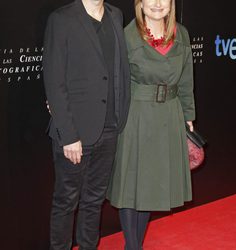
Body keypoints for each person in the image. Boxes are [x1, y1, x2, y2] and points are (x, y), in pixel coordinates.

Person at [106, 0, 195, 249]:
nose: (158, 4)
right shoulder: (126, 35)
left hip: (169, 115)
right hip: (136, 115)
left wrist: (188, 117)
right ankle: (132, 246)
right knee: (131, 183)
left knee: (149, 185)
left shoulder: (181, 33)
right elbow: (114, 81)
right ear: (139, 3)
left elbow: (186, 80)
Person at [42, 0, 130, 249]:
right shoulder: (62, 19)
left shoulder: (116, 14)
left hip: (110, 126)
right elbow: (54, 78)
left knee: (94, 200)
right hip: (75, 132)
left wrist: (120, 115)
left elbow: (116, 69)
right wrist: (68, 135)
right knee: (66, 200)